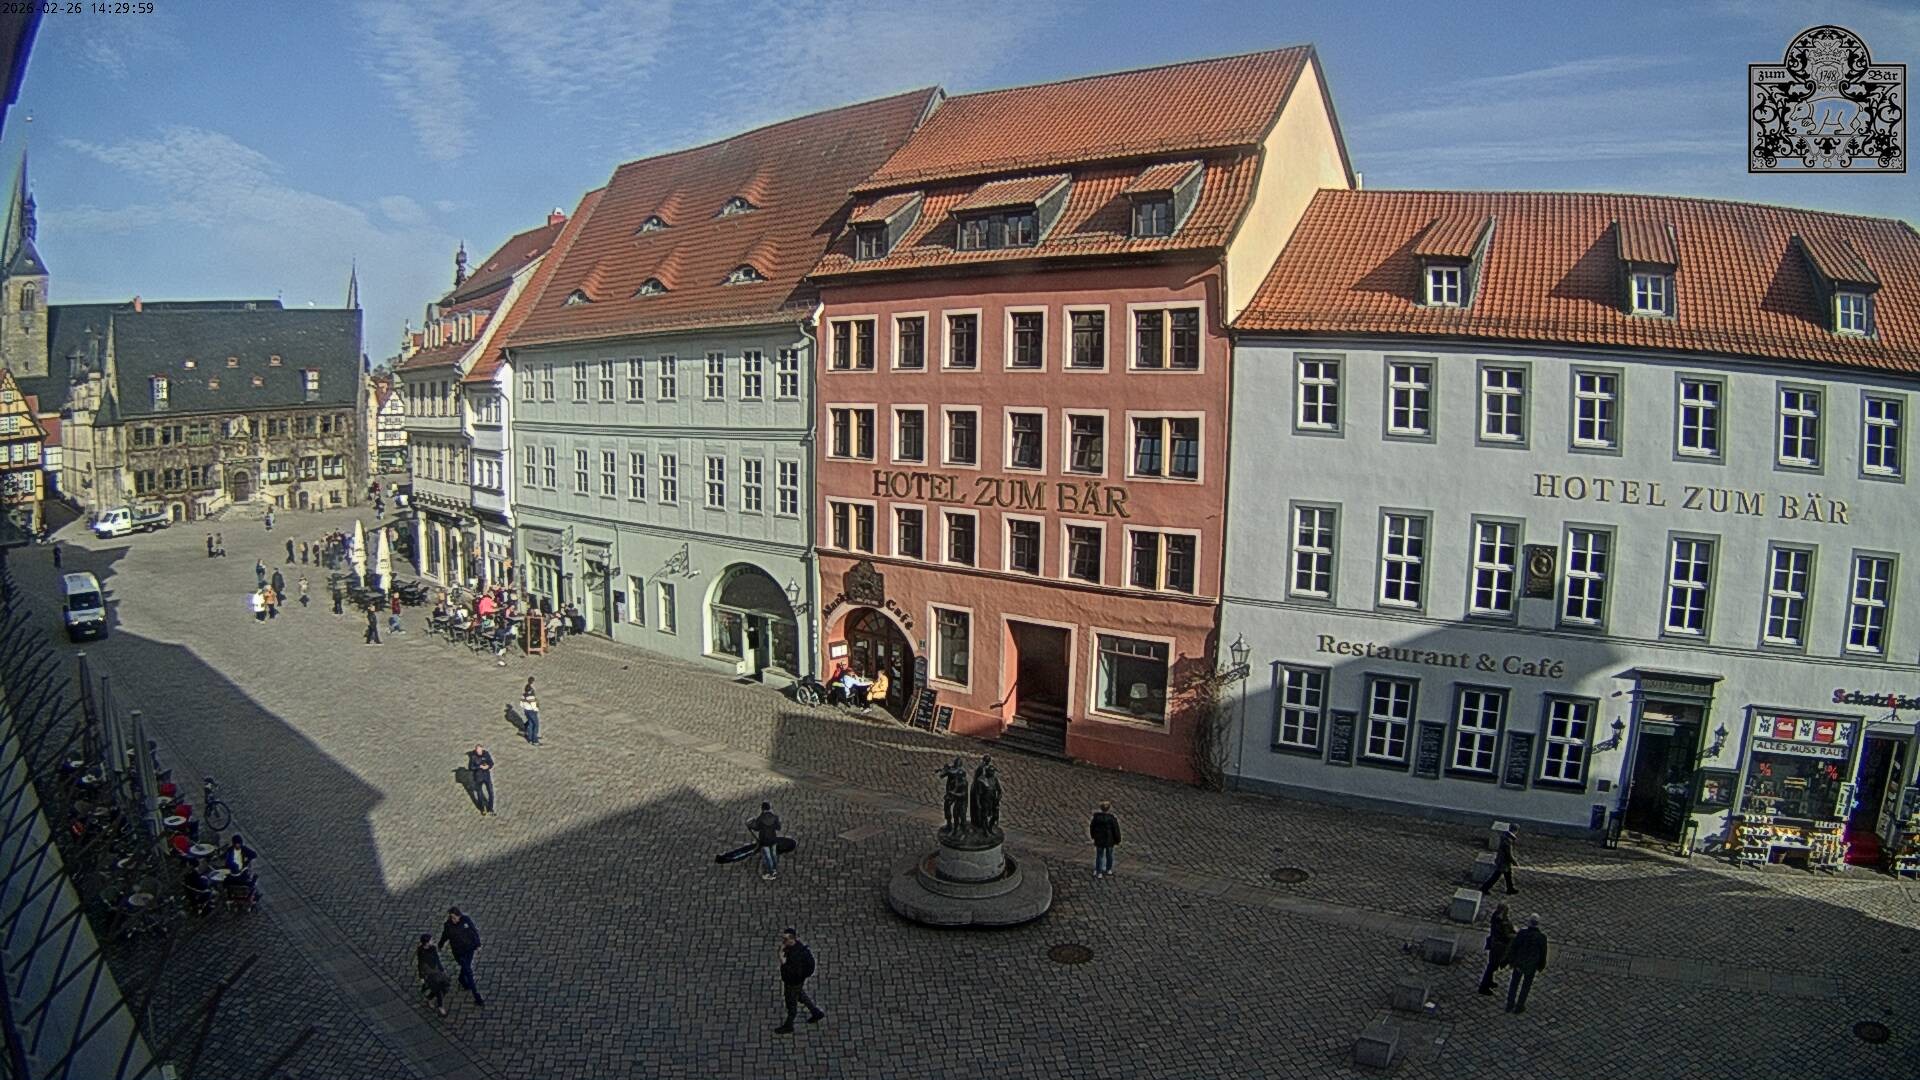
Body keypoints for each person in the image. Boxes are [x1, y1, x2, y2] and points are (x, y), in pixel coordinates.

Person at [773, 927, 824, 1033]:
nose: (783, 941)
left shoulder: (796, 956)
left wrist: (783, 961)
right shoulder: (796, 946)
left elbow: (792, 972)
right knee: (800, 995)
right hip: (797, 982)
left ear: (792, 939)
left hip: (793, 982)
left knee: (791, 1003)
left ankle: (789, 1025)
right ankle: (816, 1012)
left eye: (785, 939)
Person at [438, 907, 485, 1006]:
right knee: (468, 972)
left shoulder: (466, 919)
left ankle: (462, 980)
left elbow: (473, 931)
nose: (453, 920)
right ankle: (477, 996)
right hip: (459, 953)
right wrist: (440, 945)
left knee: (466, 968)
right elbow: (444, 936)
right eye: (451, 917)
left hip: (469, 949)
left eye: (454, 918)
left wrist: (478, 944)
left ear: (459, 916)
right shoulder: (448, 925)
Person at [1504, 914, 1549, 1014]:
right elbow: (1543, 953)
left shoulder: (1522, 933)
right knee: (1526, 986)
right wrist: (1541, 966)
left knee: (1514, 984)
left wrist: (1512, 961)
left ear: (1529, 922)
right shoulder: (1541, 937)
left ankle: (1510, 1004)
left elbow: (1514, 947)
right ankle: (1519, 1006)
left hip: (1519, 963)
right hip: (1531, 966)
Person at [1478, 902, 1516, 995]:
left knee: (1492, 965)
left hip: (1496, 945)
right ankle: (1484, 987)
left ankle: (1489, 981)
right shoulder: (1500, 922)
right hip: (1498, 947)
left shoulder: (1497, 917)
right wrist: (1515, 935)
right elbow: (1506, 935)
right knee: (1492, 966)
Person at [415, 933, 451, 1016]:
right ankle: (440, 1007)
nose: (433, 941)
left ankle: (429, 998)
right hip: (430, 974)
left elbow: (437, 959)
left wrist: (442, 969)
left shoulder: (433, 948)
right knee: (438, 990)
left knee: (445, 988)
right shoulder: (421, 952)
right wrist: (421, 977)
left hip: (437, 971)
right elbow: (420, 964)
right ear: (426, 943)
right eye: (431, 940)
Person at [1481, 825, 1519, 896]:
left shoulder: (1505, 836)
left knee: (1508, 875)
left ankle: (1510, 888)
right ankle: (1484, 888)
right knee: (1496, 876)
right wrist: (1514, 862)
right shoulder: (1508, 840)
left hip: (1502, 860)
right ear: (1515, 830)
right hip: (1503, 862)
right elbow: (1508, 854)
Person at [748, 801, 782, 880]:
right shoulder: (775, 817)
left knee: (768, 857)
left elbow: (756, 828)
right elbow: (778, 828)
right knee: (773, 855)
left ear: (762, 809)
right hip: (773, 839)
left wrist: (750, 825)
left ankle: (771, 873)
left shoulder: (760, 818)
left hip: (764, 840)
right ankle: (775, 870)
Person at [1090, 801, 1122, 879]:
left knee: (1099, 856)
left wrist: (1093, 836)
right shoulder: (1112, 819)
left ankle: (1099, 872)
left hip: (1099, 840)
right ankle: (1108, 869)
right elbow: (1116, 830)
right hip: (1109, 840)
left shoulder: (1096, 818)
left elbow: (1092, 828)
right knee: (1109, 855)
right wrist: (1118, 839)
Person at [467, 744, 495, 815]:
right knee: (479, 793)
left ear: (482, 749)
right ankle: (482, 808)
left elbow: (491, 763)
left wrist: (488, 766)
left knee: (491, 792)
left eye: (479, 750)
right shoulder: (473, 756)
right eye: (477, 750)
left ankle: (490, 808)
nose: (478, 752)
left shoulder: (486, 754)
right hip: (478, 777)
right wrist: (479, 767)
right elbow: (471, 767)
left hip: (486, 776)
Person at [520, 679, 540, 745]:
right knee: (536, 725)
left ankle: (530, 738)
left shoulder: (524, 695)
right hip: (532, 711)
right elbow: (534, 705)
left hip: (526, 711)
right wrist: (536, 709)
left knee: (531, 724)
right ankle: (535, 740)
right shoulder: (531, 696)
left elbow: (521, 704)